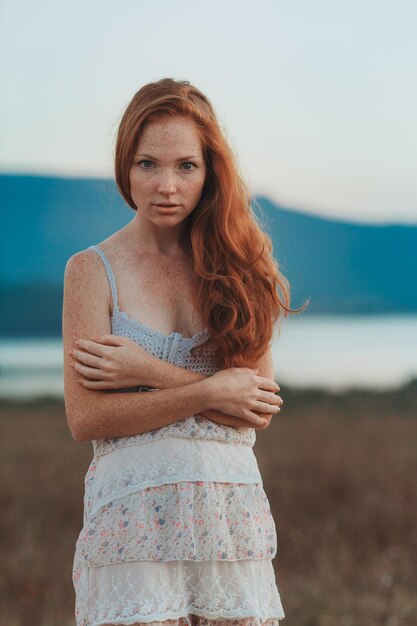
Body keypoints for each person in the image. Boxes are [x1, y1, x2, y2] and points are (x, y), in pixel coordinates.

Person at [63, 77, 306, 626]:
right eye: (148, 164)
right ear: (125, 165)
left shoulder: (244, 269)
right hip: (132, 520)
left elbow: (255, 409)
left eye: (185, 166)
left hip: (230, 517)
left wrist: (147, 371)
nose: (165, 185)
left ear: (209, 170)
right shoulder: (90, 270)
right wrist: (217, 389)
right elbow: (88, 418)